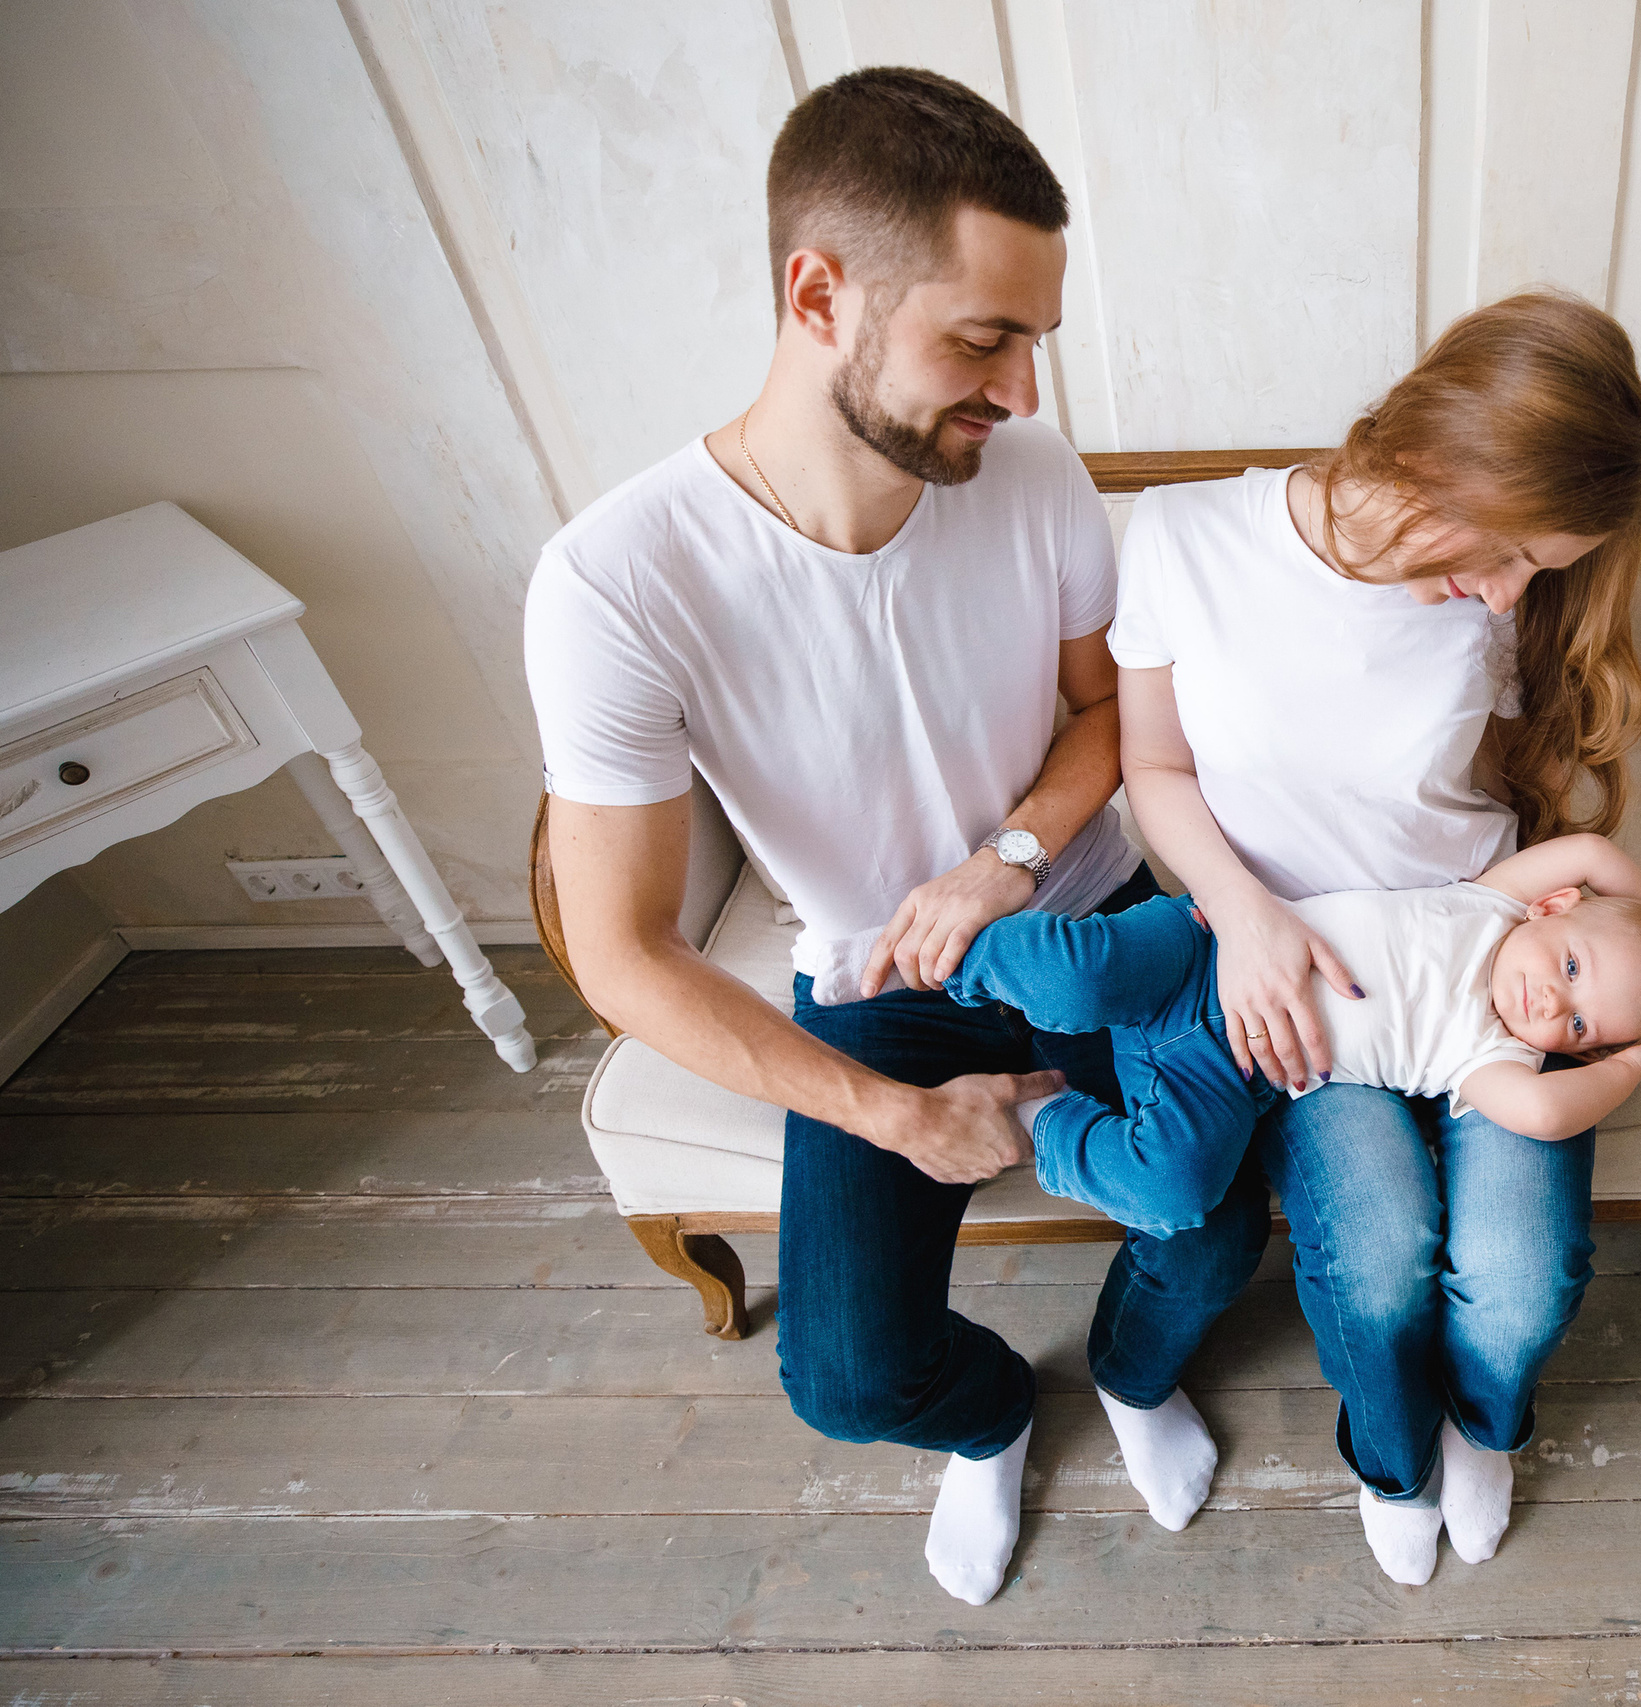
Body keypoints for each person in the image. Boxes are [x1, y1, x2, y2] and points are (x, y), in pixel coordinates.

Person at [522, 68, 1264, 1608]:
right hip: (877, 978)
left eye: (1037, 341)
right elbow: (620, 950)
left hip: (1084, 913)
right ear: (818, 295)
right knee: (850, 1376)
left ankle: (1129, 1374)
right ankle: (994, 1419)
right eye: (985, 338)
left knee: (1203, 1216)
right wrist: (893, 1112)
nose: (1028, 392)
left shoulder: (1035, 477)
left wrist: (1005, 851)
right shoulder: (616, 581)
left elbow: (1098, 723)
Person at [1109, 291, 1641, 1584]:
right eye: (1513, 547)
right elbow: (1152, 765)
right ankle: (1393, 1455)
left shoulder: (1504, 597)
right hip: (1309, 972)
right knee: (1375, 1272)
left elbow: (1518, 794)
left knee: (1522, 1284)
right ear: (1434, 454)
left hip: (1483, 957)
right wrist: (1244, 921)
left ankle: (1486, 1424)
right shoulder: (1187, 536)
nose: (1511, 592)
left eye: (1545, 565)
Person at [942, 833, 1641, 1239]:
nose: (1554, 1000)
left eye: (1580, 1025)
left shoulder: (1494, 1055)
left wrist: (1636, 1061)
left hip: (1226, 1072)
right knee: (1077, 978)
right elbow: (1592, 850)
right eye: (1571, 965)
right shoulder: (1491, 904)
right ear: (1550, 906)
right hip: (1202, 949)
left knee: (1176, 1191)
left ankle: (1040, 1122)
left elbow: (1547, 1115)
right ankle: (945, 959)